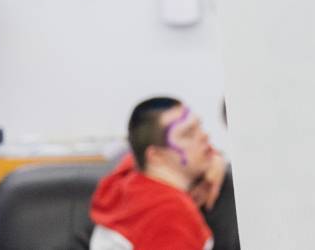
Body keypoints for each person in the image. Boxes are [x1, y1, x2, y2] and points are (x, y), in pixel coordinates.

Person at [90, 97, 225, 250]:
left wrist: (214, 158)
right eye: (188, 134)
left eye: (199, 127)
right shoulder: (170, 214)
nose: (204, 137)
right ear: (156, 156)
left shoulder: (124, 184)